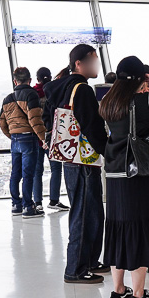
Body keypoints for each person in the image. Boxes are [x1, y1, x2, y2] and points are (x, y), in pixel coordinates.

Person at [100, 56, 149, 298]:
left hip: (115, 172)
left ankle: (118, 289)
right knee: (140, 228)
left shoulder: (108, 101)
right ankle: (139, 293)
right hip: (138, 173)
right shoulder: (141, 102)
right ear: (140, 78)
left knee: (119, 228)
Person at [43, 45, 109, 284]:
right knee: (83, 211)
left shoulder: (60, 87)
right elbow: (92, 126)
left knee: (91, 209)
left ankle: (90, 261)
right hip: (83, 158)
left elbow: (47, 117)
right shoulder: (81, 89)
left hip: (69, 156)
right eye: (93, 61)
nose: (97, 66)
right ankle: (76, 269)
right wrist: (108, 150)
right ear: (79, 63)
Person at [0, 66, 47, 218]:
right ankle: (28, 207)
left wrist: (12, 135)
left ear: (15, 81)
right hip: (29, 137)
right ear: (30, 80)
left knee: (15, 173)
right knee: (28, 174)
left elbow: (2, 123)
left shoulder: (7, 98)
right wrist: (43, 138)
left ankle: (16, 205)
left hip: (15, 139)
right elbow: (35, 119)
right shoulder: (31, 94)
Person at [34, 67, 68, 212]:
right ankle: (54, 200)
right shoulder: (53, 93)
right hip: (51, 135)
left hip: (36, 136)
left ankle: (38, 202)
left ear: (37, 79)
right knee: (56, 169)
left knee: (37, 170)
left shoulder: (32, 94)